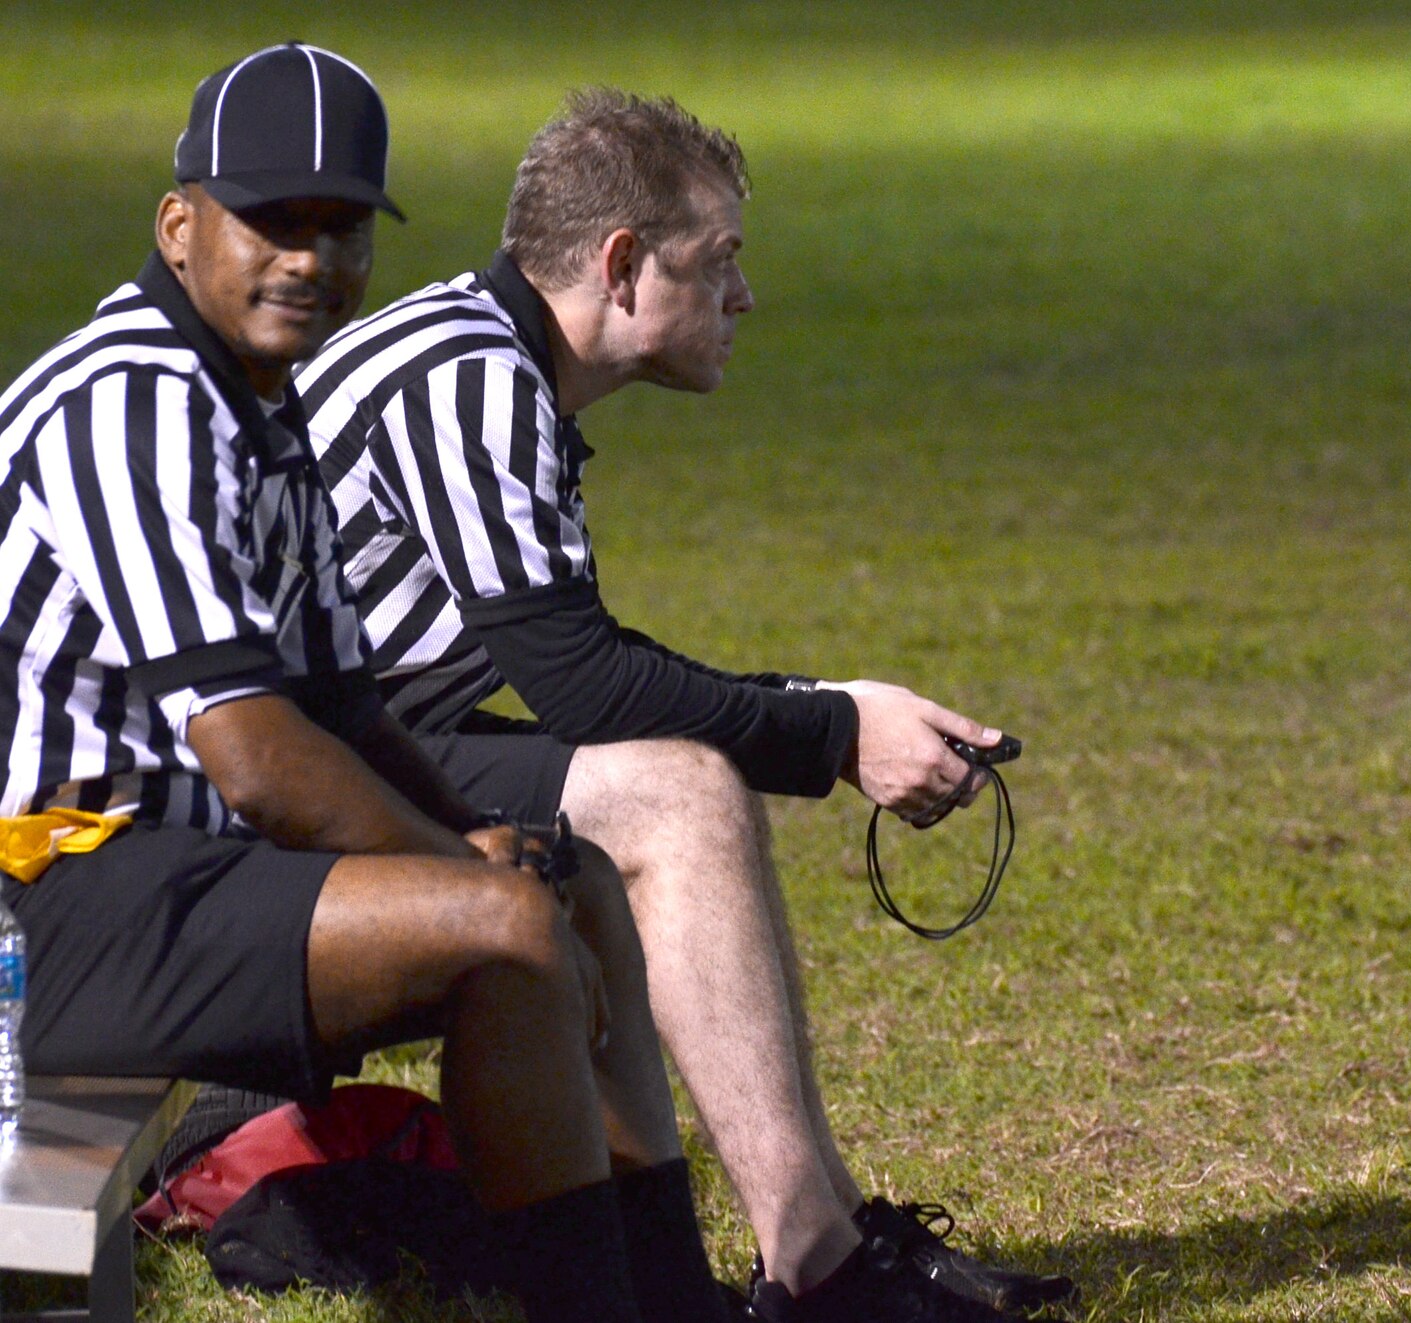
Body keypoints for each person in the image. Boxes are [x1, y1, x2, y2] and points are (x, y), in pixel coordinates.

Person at [296, 90, 1073, 1320]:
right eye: (720, 262)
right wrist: (834, 732)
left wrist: (826, 709)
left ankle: (800, 1251)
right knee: (674, 794)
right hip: (238, 796)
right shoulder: (471, 381)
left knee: (665, 786)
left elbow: (573, 672)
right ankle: (819, 1269)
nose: (744, 298)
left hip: (340, 753)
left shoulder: (482, 359)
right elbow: (584, 682)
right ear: (619, 265)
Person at [0, 48, 728, 1323]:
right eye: (272, 222)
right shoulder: (135, 400)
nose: (310, 260)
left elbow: (344, 703)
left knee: (572, 879)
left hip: (163, 874)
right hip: (46, 895)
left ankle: (671, 1298)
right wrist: (465, 877)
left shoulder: (256, 408)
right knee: (506, 928)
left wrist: (472, 837)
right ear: (179, 227)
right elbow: (260, 759)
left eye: (341, 228)